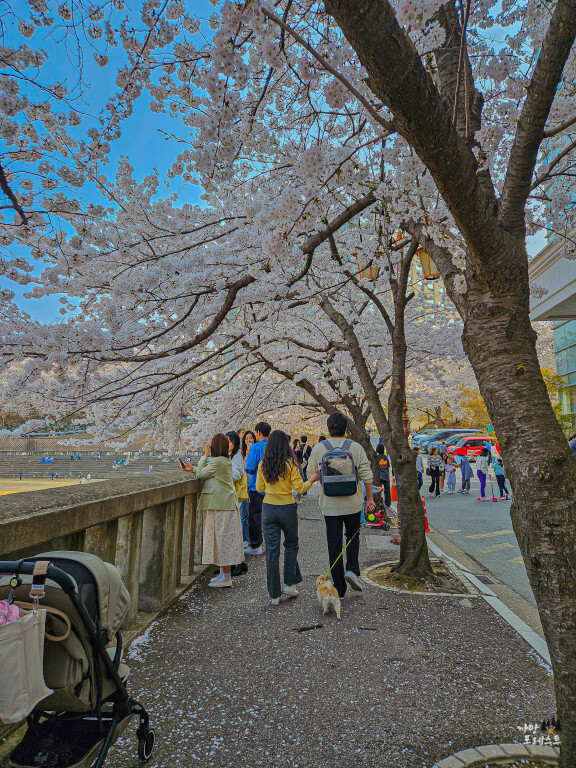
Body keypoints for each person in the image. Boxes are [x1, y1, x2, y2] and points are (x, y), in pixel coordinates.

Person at [307, 412, 375, 598]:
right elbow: (367, 475)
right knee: (352, 535)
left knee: (334, 543)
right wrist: (370, 499)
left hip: (330, 505)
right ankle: (352, 569)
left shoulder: (319, 448)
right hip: (352, 502)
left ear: (328, 429)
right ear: (346, 428)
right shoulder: (356, 447)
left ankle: (339, 588)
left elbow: (310, 474)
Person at [256, 431, 319, 606]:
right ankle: (289, 584)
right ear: (285, 445)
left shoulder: (263, 464)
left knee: (271, 550)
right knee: (291, 545)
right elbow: (300, 488)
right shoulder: (290, 464)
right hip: (287, 509)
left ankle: (274, 595)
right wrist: (313, 479)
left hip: (268, 508)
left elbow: (259, 487)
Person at [181, 434, 243, 588]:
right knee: (221, 539)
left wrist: (205, 456)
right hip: (223, 504)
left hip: (222, 505)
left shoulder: (217, 461)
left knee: (222, 540)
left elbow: (203, 474)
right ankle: (223, 574)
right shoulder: (224, 460)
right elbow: (207, 471)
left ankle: (226, 577)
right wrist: (193, 468)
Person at [245, 421, 271, 555]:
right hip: (272, 488)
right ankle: (271, 544)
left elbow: (250, 467)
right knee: (269, 516)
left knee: (255, 516)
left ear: (258, 433)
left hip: (256, 486)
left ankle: (256, 545)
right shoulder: (274, 446)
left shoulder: (256, 447)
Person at [227, 431, 249, 576]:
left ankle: (239, 563)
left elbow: (236, 474)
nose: (226, 444)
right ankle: (230, 563)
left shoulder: (237, 457)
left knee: (235, 531)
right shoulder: (229, 456)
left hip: (236, 497)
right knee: (230, 532)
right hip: (230, 497)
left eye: (229, 441)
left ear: (235, 443)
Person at [239, 431, 255, 549]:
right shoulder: (241, 453)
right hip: (244, 487)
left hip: (254, 486)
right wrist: (246, 456)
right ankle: (246, 539)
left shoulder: (256, 451)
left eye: (250, 438)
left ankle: (253, 538)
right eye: (246, 439)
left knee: (253, 514)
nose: (248, 441)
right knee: (244, 514)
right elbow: (242, 469)